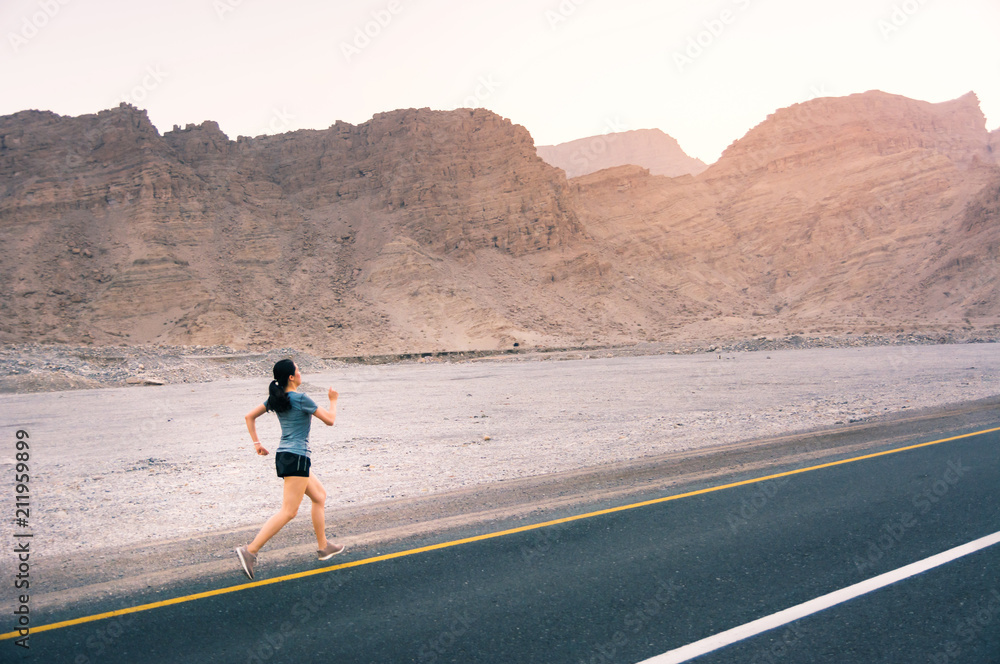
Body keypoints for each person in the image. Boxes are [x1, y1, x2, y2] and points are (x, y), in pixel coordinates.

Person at [235, 358, 344, 580]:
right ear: (291, 377)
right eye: (298, 370)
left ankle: (324, 547)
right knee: (289, 511)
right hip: (297, 458)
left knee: (319, 496)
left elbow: (249, 416)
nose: (301, 372)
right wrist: (333, 400)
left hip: (286, 456)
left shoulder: (278, 398)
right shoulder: (301, 398)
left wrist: (257, 443)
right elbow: (330, 420)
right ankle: (250, 551)